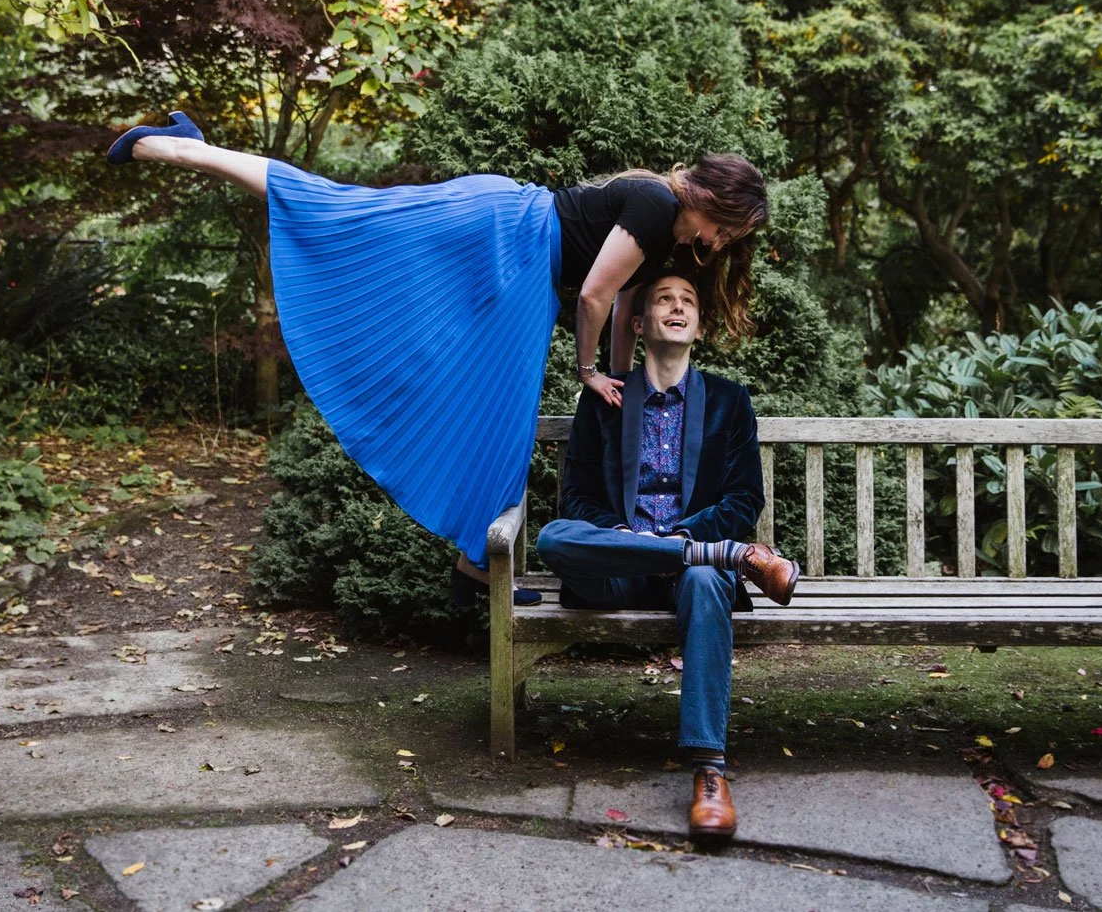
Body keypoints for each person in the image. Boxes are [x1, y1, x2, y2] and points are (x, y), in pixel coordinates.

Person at [105, 112, 769, 602]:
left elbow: (624, 306)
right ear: (715, 200)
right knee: (344, 212)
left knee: (498, 412)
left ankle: (476, 570)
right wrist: (590, 371)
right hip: (503, 236)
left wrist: (618, 383)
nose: (724, 242)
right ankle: (177, 147)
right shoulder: (656, 205)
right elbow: (594, 298)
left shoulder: (665, 233)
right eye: (730, 229)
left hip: (522, 267)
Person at [535, 269, 799, 840]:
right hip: (619, 572)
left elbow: (744, 497)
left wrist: (674, 537)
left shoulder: (730, 401)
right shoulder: (606, 398)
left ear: (698, 327)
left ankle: (710, 771)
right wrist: (635, 542)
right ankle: (723, 554)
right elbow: (576, 496)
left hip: (692, 577)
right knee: (553, 537)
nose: (677, 307)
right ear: (638, 322)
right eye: (663, 299)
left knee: (705, 581)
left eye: (688, 302)